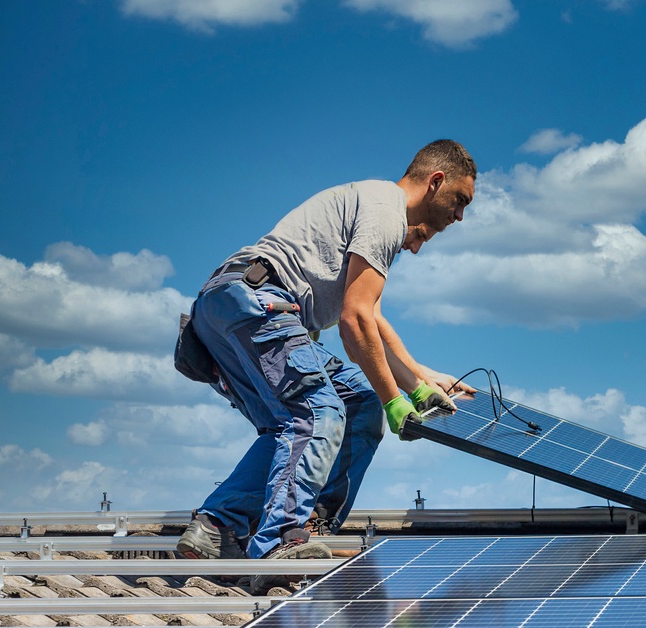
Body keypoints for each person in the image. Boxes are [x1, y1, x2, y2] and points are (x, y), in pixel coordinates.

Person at [174, 140, 478, 592]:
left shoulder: (372, 207)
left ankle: (219, 527)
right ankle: (282, 541)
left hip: (226, 309)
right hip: (259, 303)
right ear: (436, 182)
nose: (459, 217)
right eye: (460, 201)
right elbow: (354, 324)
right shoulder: (386, 211)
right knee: (317, 412)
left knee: (354, 401)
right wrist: (397, 401)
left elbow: (370, 317)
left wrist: (419, 376)